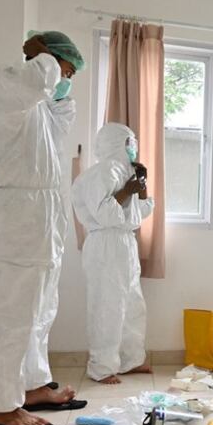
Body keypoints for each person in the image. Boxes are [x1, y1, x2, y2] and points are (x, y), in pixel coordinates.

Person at [0, 31, 87, 425]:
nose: (64, 78)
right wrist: (46, 58)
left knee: (39, 312)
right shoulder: (5, 84)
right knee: (11, 316)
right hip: (17, 220)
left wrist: (59, 82)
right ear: (44, 59)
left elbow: (61, 115)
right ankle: (2, 406)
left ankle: (33, 386)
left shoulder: (38, 107)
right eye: (64, 68)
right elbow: (38, 81)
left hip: (40, 220)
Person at [71, 124, 154, 384]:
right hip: (105, 243)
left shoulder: (123, 170)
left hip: (125, 242)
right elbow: (105, 213)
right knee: (107, 306)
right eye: (130, 142)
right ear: (116, 143)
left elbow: (142, 212)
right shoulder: (101, 172)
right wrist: (127, 190)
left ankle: (130, 361)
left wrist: (141, 186)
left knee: (132, 305)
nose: (134, 147)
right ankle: (102, 368)